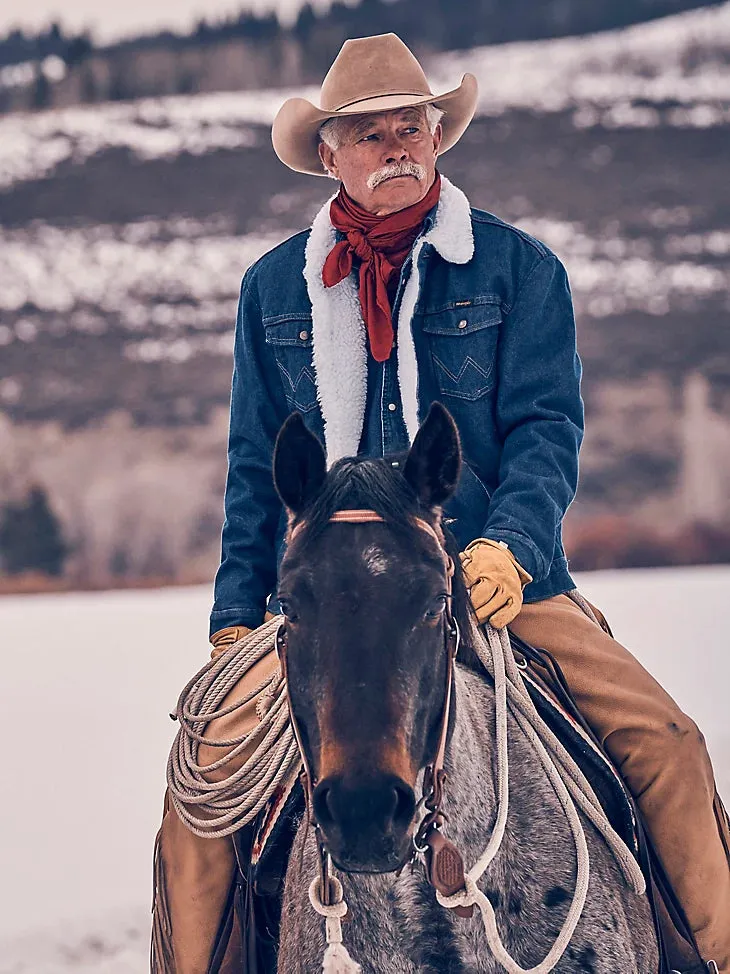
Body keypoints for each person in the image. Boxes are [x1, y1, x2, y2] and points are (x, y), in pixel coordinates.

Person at [152, 32, 729, 973]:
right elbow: (256, 466)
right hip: (325, 604)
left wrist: (510, 545)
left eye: (409, 125)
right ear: (329, 155)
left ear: (438, 136)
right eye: (368, 133)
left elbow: (548, 430)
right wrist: (233, 619)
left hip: (497, 579)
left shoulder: (518, 270)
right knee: (200, 795)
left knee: (670, 746)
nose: (395, 147)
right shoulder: (272, 293)